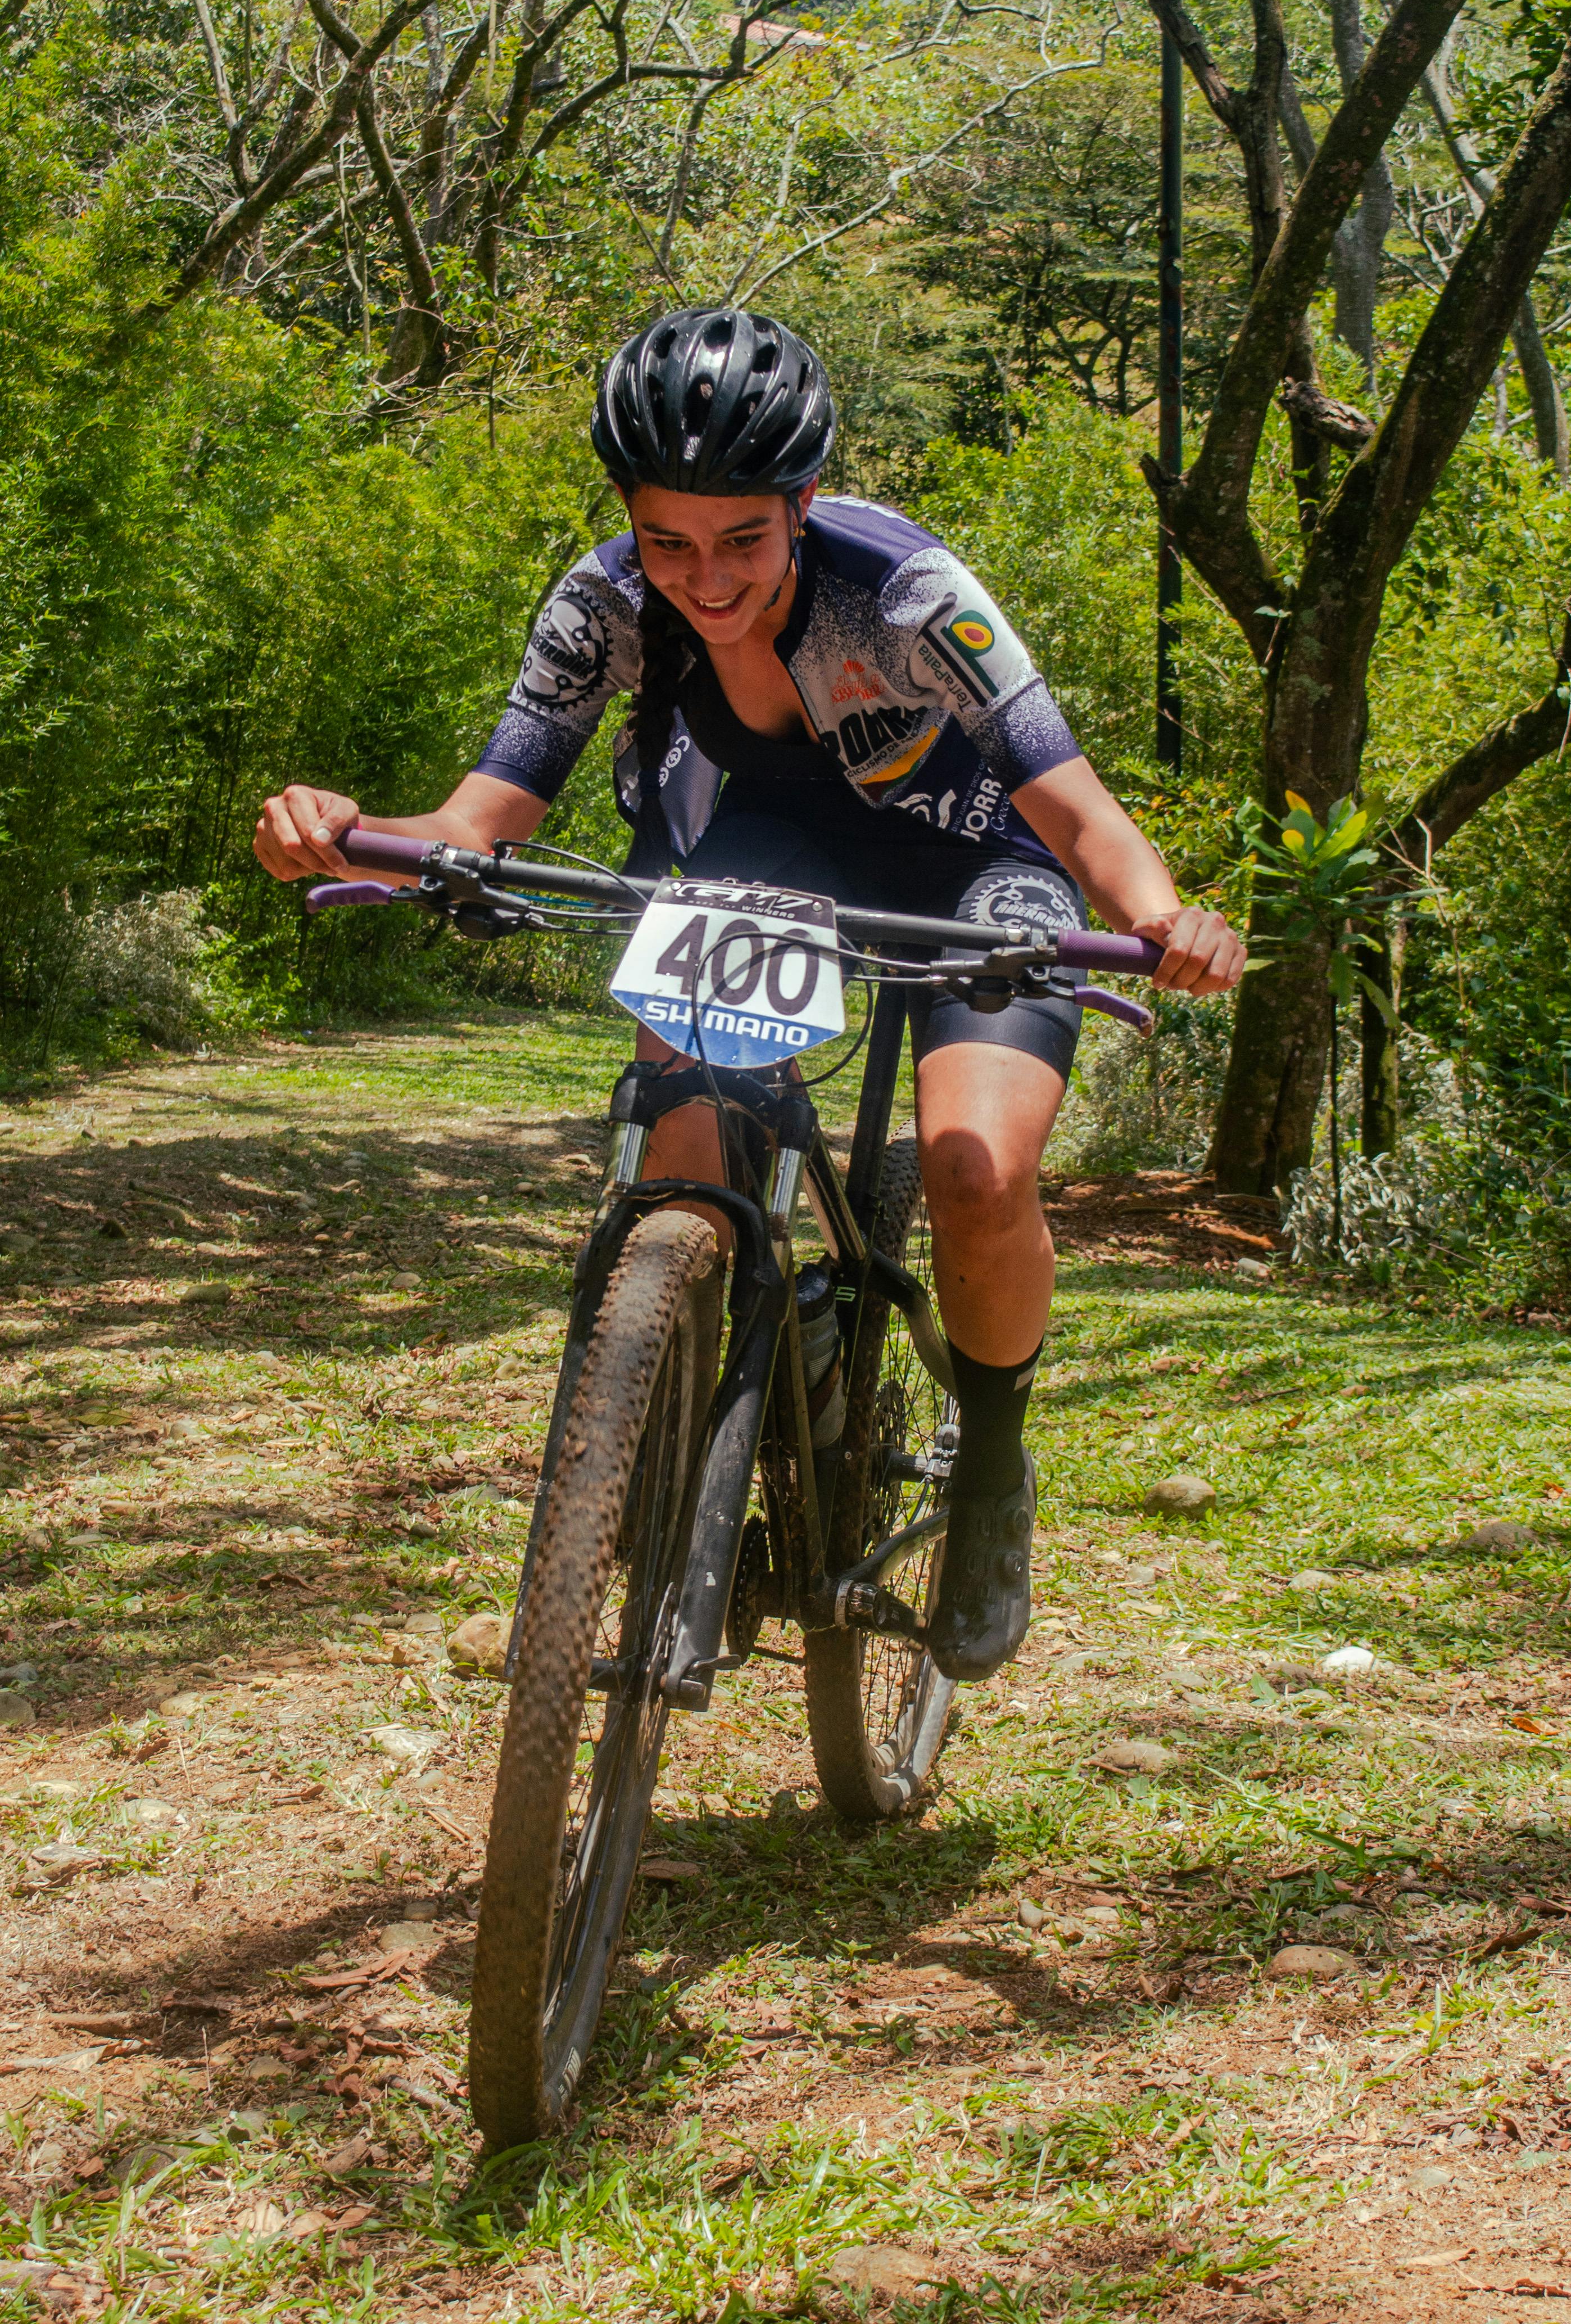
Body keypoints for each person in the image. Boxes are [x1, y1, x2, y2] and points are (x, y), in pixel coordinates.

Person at [254, 306, 1244, 1681]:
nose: (701, 577)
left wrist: (1161, 918)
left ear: (804, 504)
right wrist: (341, 826)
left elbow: (1076, 812)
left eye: (741, 539)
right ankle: (683, 1431)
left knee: (970, 1166)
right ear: (627, 516)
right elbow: (485, 808)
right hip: (754, 864)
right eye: (667, 538)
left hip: (967, 867)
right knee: (680, 1147)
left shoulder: (907, 595)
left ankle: (993, 1471)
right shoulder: (603, 602)